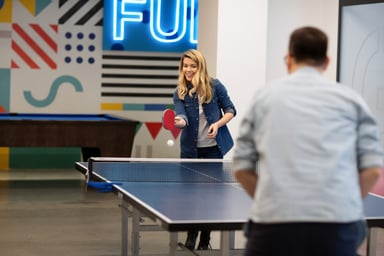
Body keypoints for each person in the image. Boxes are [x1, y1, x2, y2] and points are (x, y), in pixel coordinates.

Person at [232, 26, 383, 256]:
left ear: (289, 59)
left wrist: (272, 199)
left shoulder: (264, 98)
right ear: (327, 61)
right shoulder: (352, 101)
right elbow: (372, 170)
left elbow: (242, 166)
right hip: (336, 224)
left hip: (273, 224)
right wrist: (345, 203)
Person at [173, 49, 236, 250]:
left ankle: (205, 241)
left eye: (193, 66)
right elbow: (181, 116)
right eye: (185, 66)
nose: (189, 70)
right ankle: (191, 236)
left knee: (209, 197)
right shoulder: (180, 92)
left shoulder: (215, 86)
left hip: (212, 150)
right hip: (190, 151)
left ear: (200, 67)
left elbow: (231, 110)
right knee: (191, 196)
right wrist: (179, 122)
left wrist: (217, 124)